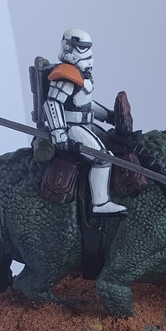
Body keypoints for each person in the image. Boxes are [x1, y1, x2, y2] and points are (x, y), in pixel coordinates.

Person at [43, 29, 127, 217]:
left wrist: (108, 116)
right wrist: (58, 132)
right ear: (68, 48)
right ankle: (100, 203)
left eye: (87, 47)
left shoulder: (82, 74)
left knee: (118, 144)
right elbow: (52, 103)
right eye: (81, 48)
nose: (86, 53)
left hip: (86, 125)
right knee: (103, 157)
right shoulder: (65, 75)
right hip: (72, 128)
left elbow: (85, 103)